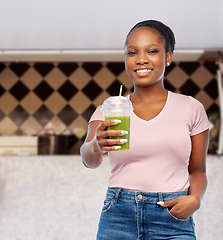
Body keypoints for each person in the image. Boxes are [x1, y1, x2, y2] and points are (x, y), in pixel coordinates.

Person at [80, 20, 209, 239]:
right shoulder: (109, 109)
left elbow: (197, 170)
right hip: (119, 215)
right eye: (132, 52)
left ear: (168, 57)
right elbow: (89, 160)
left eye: (152, 51)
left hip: (172, 216)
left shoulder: (191, 108)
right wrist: (95, 144)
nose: (141, 59)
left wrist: (195, 198)